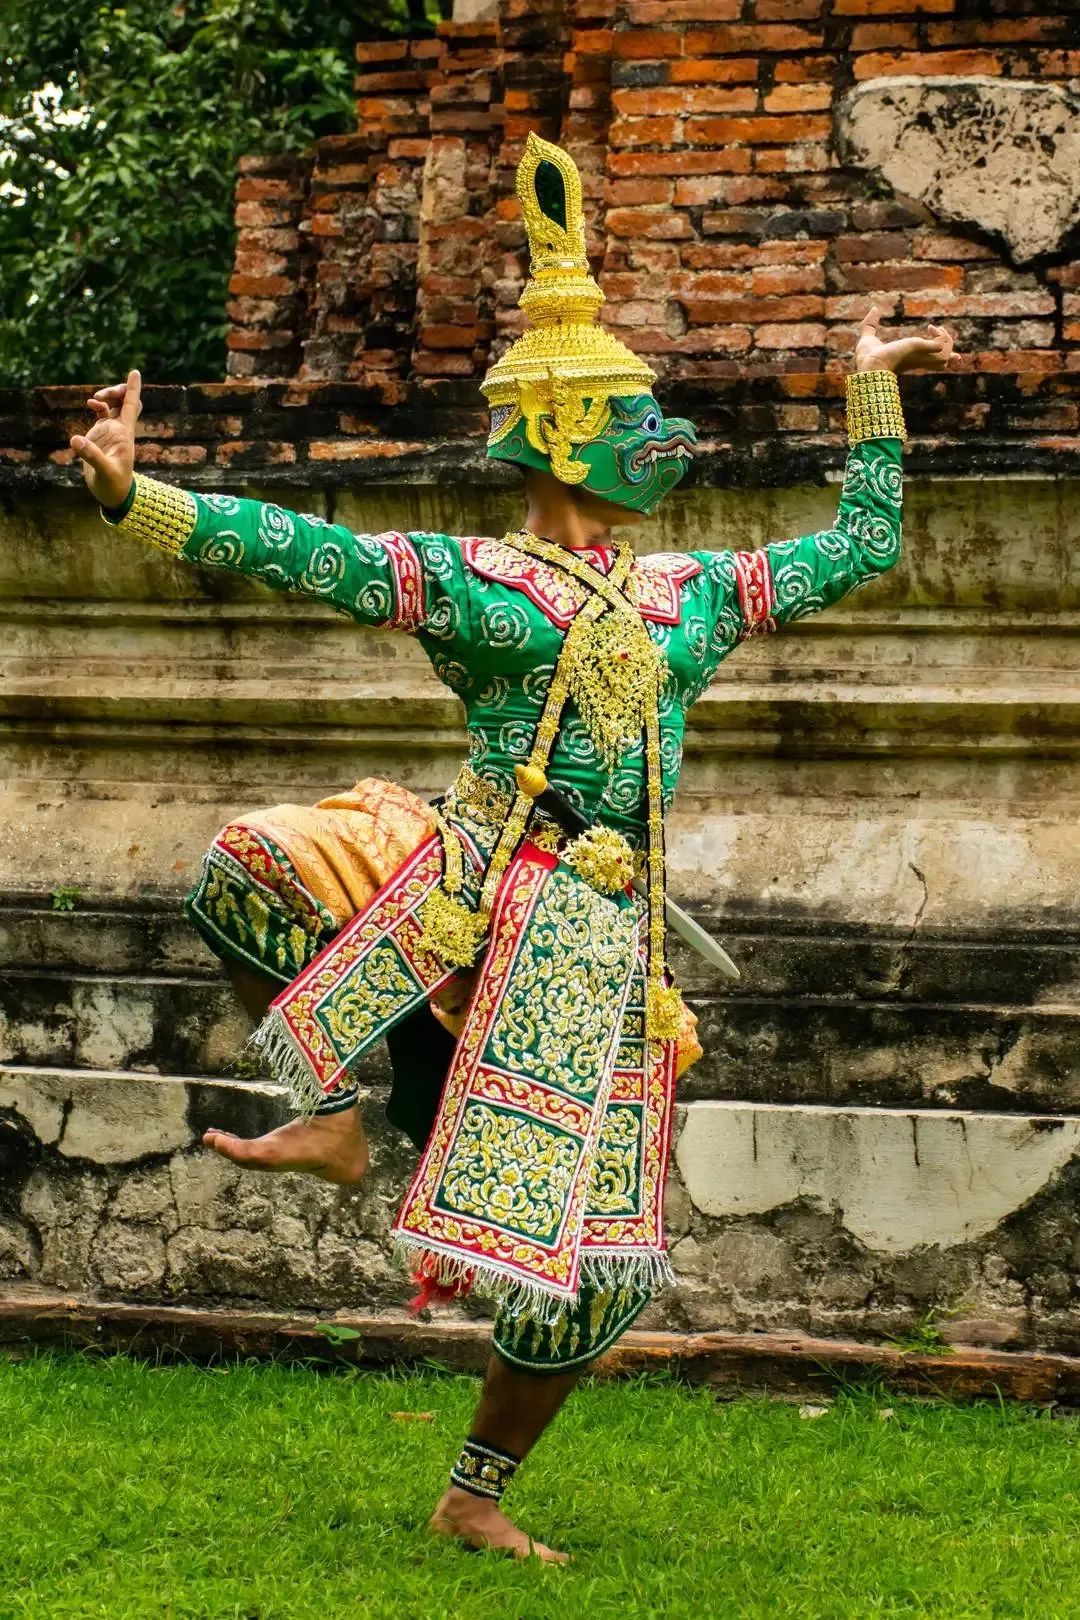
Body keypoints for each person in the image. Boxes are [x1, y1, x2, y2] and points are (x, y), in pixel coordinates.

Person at [69, 133, 955, 1562]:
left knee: (599, 1275)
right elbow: (311, 553)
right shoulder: (485, 590)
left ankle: (474, 1489)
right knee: (244, 863)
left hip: (607, 951)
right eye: (632, 410)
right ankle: (364, 1109)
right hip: (481, 892)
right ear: (561, 431)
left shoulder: (692, 596)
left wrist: (866, 386)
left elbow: (857, 549)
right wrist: (135, 495)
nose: (659, 436)